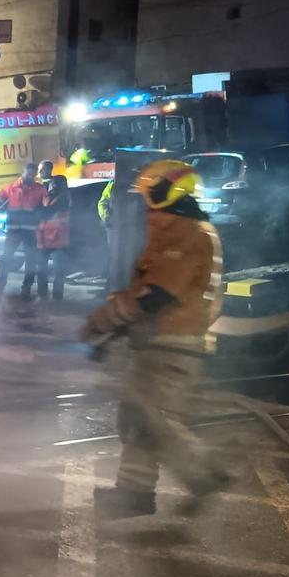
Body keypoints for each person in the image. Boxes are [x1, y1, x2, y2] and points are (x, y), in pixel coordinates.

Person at [80, 160, 230, 520]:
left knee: (154, 419)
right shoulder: (178, 231)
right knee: (138, 416)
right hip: (162, 341)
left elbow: (156, 293)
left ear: (166, 193)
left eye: (150, 194)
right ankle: (133, 492)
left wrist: (104, 321)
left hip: (174, 343)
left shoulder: (187, 234)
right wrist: (114, 329)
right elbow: (148, 290)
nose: (145, 202)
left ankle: (203, 473)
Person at [0, 162, 47, 297]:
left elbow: (46, 206)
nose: (31, 177)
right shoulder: (11, 187)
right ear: (23, 172)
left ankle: (26, 290)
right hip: (14, 231)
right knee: (6, 259)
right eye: (29, 174)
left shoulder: (40, 189)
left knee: (30, 262)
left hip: (30, 231)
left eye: (33, 175)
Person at [36, 174, 71, 300]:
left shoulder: (64, 199)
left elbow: (48, 212)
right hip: (44, 240)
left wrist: (36, 212)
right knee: (41, 270)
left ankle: (57, 297)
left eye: (55, 183)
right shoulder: (46, 197)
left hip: (58, 240)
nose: (53, 186)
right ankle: (42, 295)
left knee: (58, 272)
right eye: (52, 183)